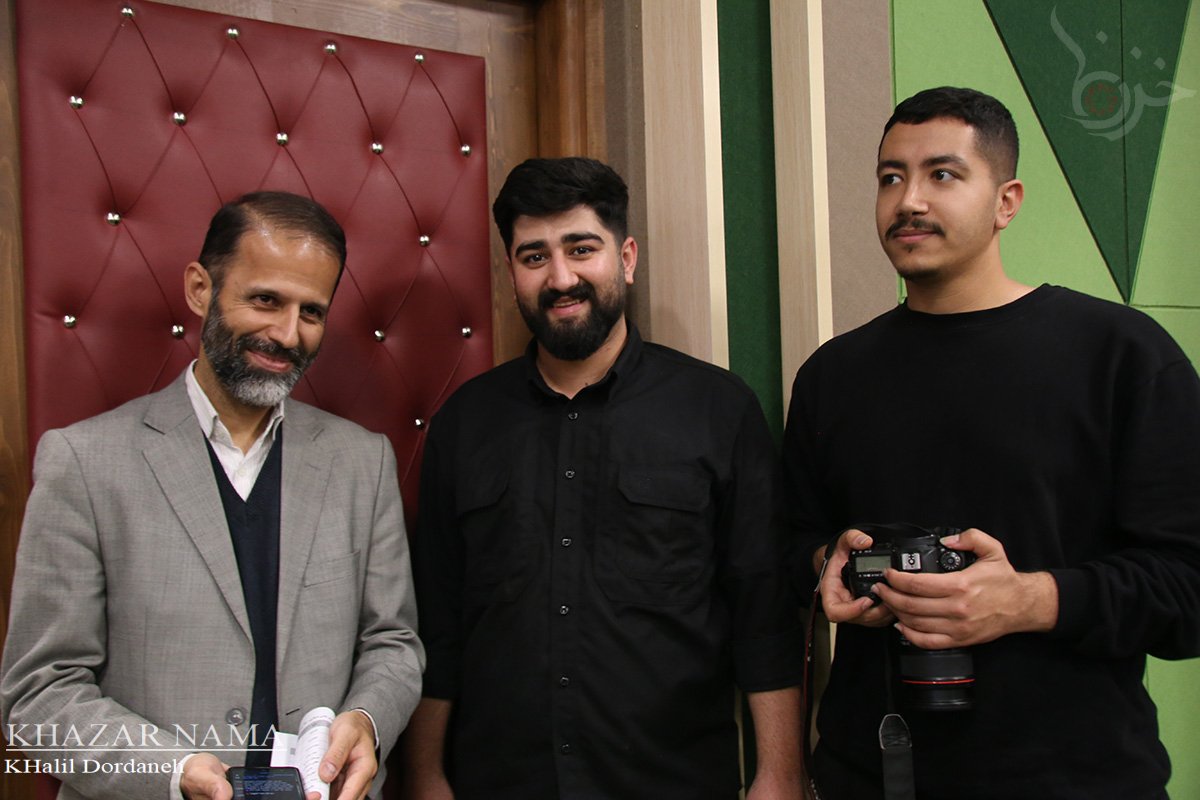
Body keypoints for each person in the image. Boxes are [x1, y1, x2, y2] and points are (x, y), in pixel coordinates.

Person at [783, 86, 1200, 799]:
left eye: (942, 174)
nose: (909, 200)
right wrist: (831, 567)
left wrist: (1030, 600)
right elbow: (788, 547)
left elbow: (1188, 589)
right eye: (890, 177)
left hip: (1078, 780)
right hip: (877, 774)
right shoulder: (832, 375)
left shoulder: (1121, 354)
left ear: (1007, 201)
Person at [403, 157, 805, 800]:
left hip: (672, 783)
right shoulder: (465, 424)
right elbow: (437, 620)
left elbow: (764, 612)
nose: (561, 278)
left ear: (626, 257)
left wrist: (779, 774)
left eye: (581, 249)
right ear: (511, 272)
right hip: (500, 783)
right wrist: (425, 775)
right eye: (535, 256)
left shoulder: (717, 410)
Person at [1, 191, 424, 800]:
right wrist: (171, 770)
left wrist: (367, 720)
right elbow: (38, 696)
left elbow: (393, 643)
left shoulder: (364, 461)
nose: (287, 334)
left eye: (311, 312)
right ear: (201, 289)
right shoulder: (83, 462)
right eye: (265, 300)